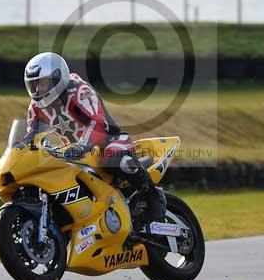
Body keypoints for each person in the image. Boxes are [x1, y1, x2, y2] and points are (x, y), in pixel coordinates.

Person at [21, 51, 166, 221]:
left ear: (57, 78)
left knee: (116, 158)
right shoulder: (36, 107)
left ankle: (153, 195)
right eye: (34, 85)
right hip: (74, 154)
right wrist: (21, 149)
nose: (38, 90)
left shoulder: (78, 90)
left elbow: (96, 121)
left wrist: (84, 145)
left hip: (107, 141)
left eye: (43, 83)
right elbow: (31, 136)